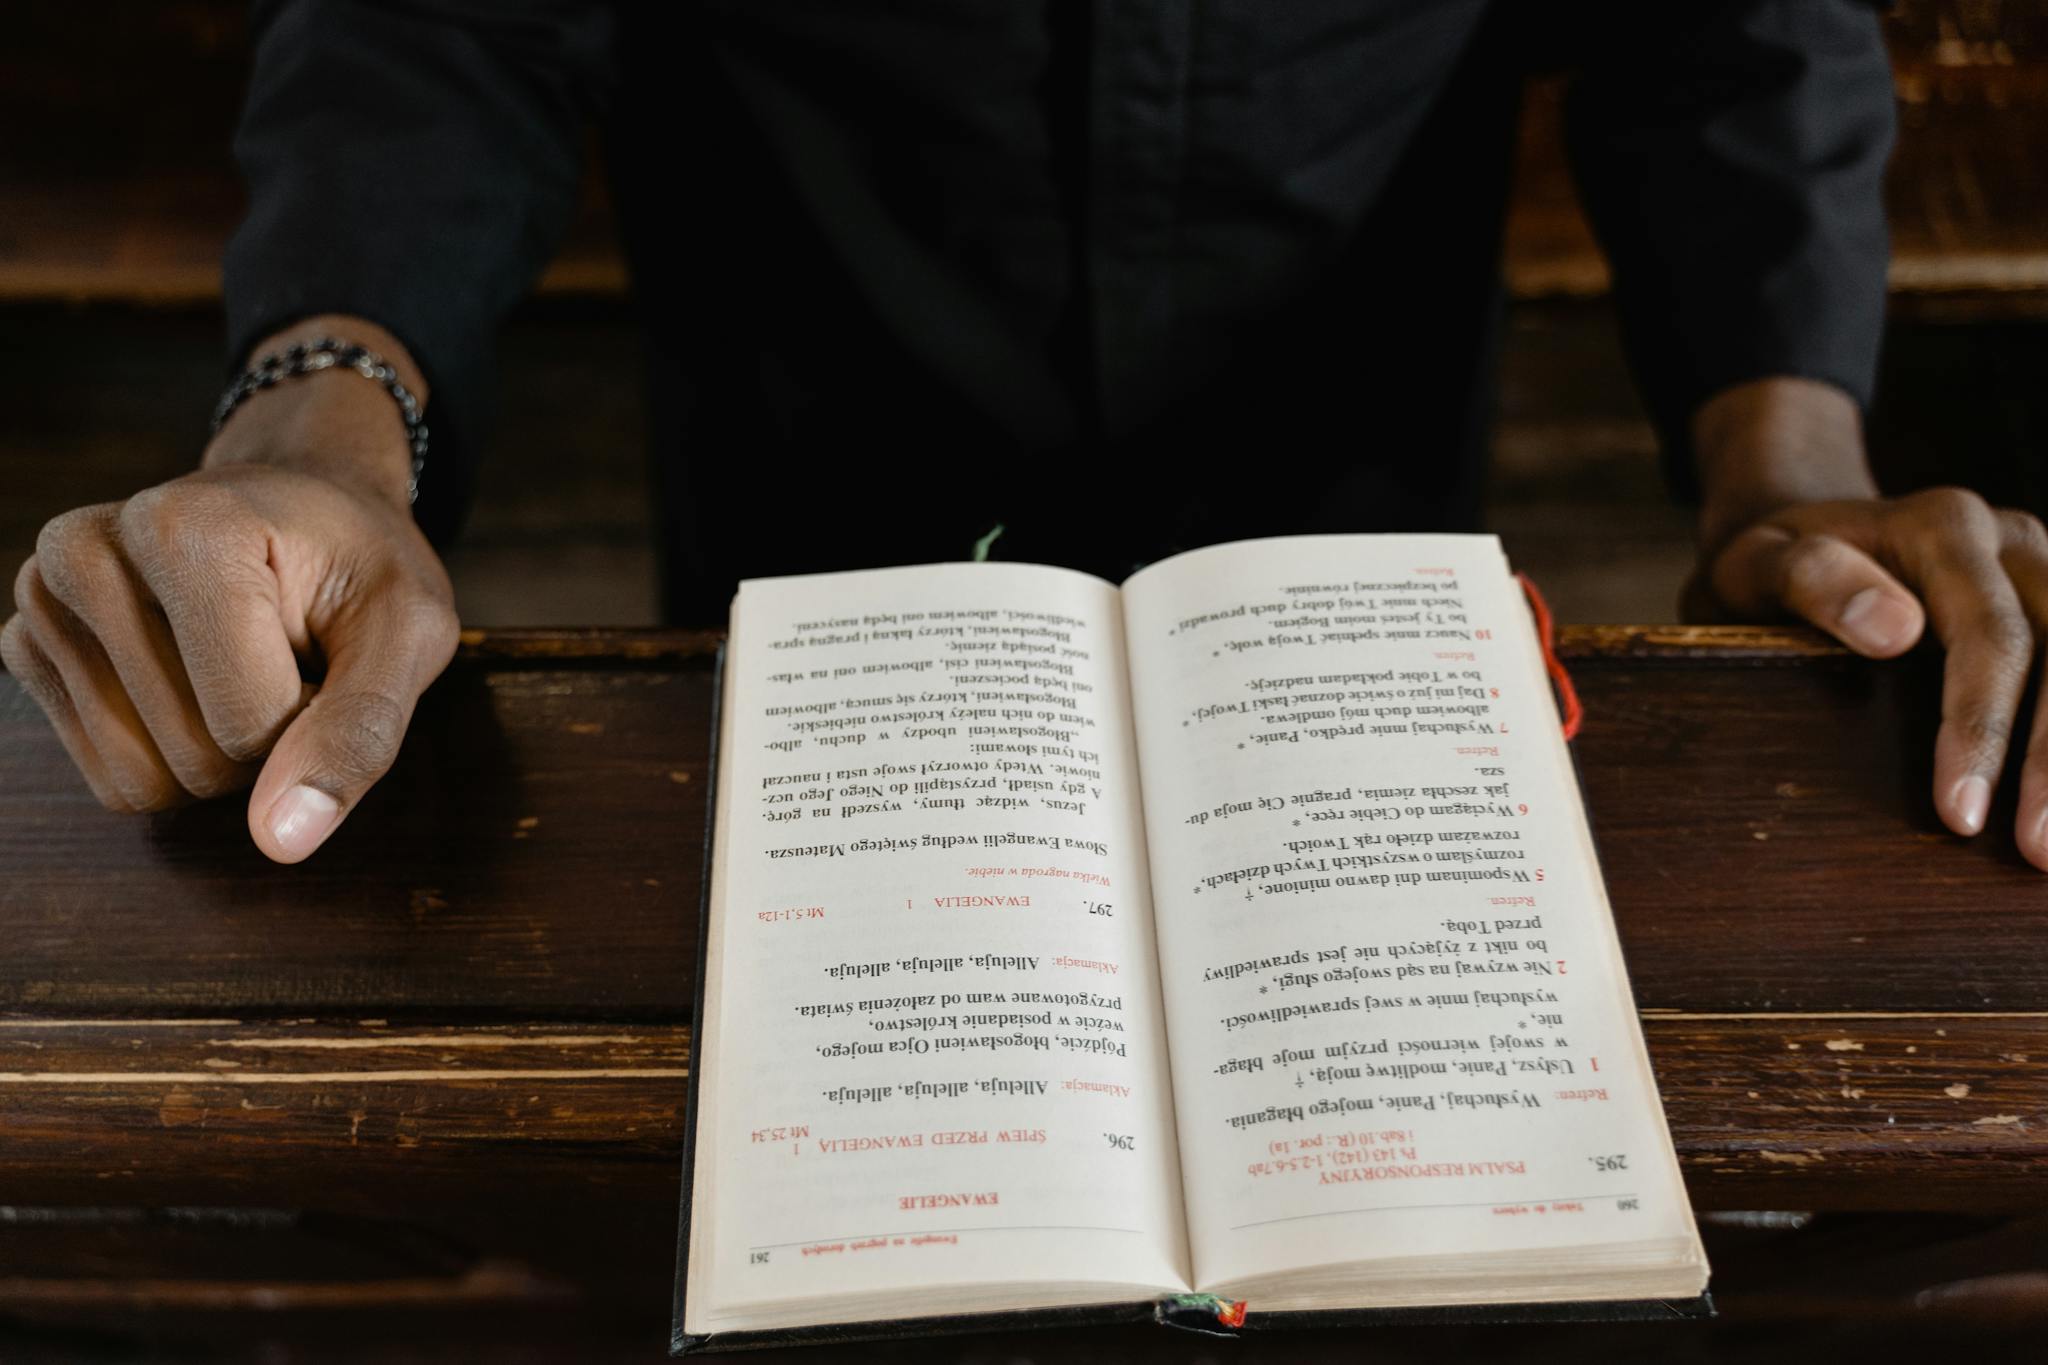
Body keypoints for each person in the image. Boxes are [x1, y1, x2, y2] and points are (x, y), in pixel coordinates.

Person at [6, 1, 2047, 871]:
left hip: (1345, 514)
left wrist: (1789, 478)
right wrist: (326, 420)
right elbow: (442, 27)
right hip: (808, 526)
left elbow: (1719, 35)